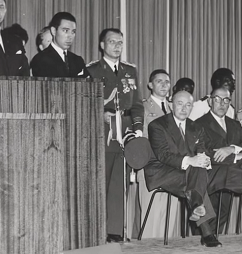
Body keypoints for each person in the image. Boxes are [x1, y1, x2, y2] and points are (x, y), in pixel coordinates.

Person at [145, 91, 231, 247]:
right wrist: (192, 160)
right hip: (164, 171)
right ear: (171, 104)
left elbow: (202, 148)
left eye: (188, 104)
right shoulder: (156, 125)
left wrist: (203, 159)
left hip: (190, 173)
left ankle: (199, 210)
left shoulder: (196, 126)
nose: (184, 108)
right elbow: (163, 155)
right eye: (180, 103)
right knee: (196, 175)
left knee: (208, 172)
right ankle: (206, 229)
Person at [86, 28, 144, 242]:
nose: (117, 46)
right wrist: (100, 114)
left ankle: (116, 231)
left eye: (120, 42)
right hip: (105, 132)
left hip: (126, 130)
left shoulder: (130, 70)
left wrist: (137, 129)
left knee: (120, 182)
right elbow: (86, 104)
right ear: (102, 45)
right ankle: (99, 231)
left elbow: (137, 104)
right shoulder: (91, 70)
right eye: (112, 42)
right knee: (104, 180)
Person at [195, 86, 242, 243]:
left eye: (226, 100)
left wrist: (231, 149)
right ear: (210, 101)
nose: (222, 103)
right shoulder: (198, 124)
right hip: (212, 172)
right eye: (217, 99)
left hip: (236, 173)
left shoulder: (234, 124)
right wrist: (236, 156)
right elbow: (205, 153)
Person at [136, 69, 182, 238]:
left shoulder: (175, 108)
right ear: (150, 85)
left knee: (169, 216)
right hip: (151, 167)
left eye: (167, 82)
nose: (164, 85)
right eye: (159, 81)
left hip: (173, 166)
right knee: (151, 214)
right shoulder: (142, 107)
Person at [30, 12, 88, 77]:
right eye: (65, 31)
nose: (70, 36)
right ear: (54, 31)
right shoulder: (40, 59)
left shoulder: (78, 60)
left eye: (73, 32)